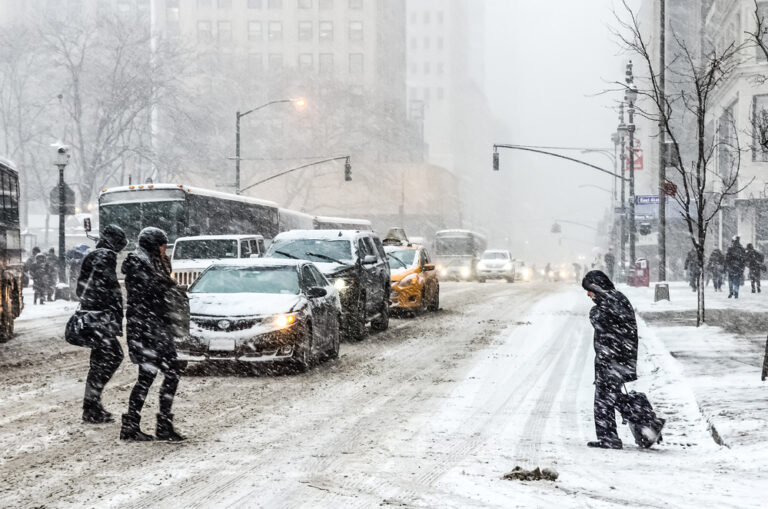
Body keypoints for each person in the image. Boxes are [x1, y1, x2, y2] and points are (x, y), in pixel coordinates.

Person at [120, 227, 186, 442]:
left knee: (167, 372)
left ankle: (147, 424)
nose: (164, 250)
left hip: (156, 327)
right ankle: (138, 425)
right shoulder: (138, 264)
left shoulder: (155, 263)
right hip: (146, 328)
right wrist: (169, 285)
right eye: (162, 245)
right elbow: (149, 292)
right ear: (153, 245)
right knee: (149, 375)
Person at [581, 270, 638, 450]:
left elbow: (600, 320)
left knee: (604, 399)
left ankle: (610, 438)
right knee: (610, 396)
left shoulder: (611, 300)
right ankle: (643, 420)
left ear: (597, 286)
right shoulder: (613, 299)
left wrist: (597, 305)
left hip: (615, 359)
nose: (588, 295)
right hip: (615, 358)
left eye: (589, 290)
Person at [77, 225, 127, 424]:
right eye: (120, 246)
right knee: (113, 356)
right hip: (100, 319)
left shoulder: (94, 254)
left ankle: (92, 406)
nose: (119, 251)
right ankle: (91, 405)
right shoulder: (105, 255)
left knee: (99, 362)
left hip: (96, 317)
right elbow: (101, 284)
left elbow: (81, 289)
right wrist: (106, 306)